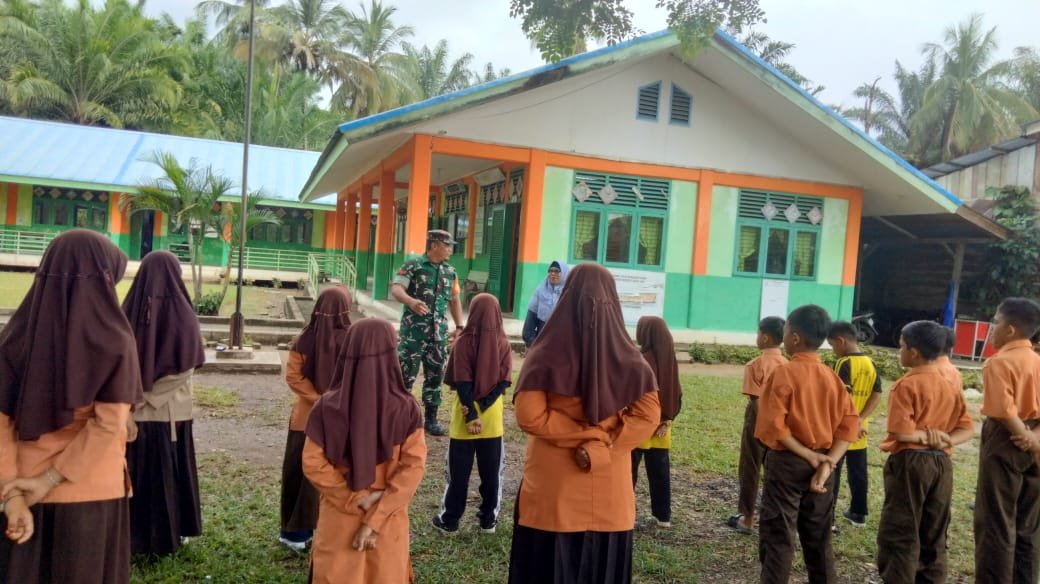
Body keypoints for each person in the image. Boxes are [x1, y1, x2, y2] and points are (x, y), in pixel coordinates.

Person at [0, 229, 144, 583]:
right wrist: (48, 480)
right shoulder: (114, 340)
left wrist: (12, 494)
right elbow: (108, 424)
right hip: (90, 493)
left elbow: (2, 422)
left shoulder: (15, 337)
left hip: (22, 492)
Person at [508, 263, 661, 584]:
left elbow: (530, 416)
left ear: (566, 297)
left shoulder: (543, 354)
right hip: (609, 492)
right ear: (613, 302)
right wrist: (602, 443)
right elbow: (648, 417)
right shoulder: (632, 360)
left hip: (553, 494)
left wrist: (579, 434)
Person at [302, 318, 427, 584]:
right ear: (392, 353)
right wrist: (376, 517)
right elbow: (413, 468)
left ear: (348, 352)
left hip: (340, 515)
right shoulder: (406, 408)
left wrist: (355, 499)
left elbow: (313, 463)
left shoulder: (326, 407)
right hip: (388, 518)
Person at [755, 304, 859, 584]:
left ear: (795, 337)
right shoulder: (832, 377)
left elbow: (774, 427)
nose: (784, 335)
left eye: (786, 329)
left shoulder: (784, 373)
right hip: (823, 466)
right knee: (819, 538)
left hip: (788, 463)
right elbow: (850, 426)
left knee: (778, 536)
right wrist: (828, 462)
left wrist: (807, 455)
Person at [122, 250, 206, 556]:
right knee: (151, 476)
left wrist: (137, 400)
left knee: (160, 476)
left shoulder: (127, 309)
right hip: (149, 412)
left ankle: (160, 538)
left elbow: (184, 368)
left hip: (158, 412)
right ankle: (140, 538)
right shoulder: (178, 312)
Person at [876, 321, 974, 583]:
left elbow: (900, 432)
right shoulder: (949, 385)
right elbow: (967, 429)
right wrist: (944, 440)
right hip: (941, 463)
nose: (900, 353)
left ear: (914, 353)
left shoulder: (906, 385)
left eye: (901, 347)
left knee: (901, 528)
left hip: (911, 462)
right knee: (934, 530)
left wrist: (924, 436)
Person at [279, 286, 353, 552]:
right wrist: (334, 401)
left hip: (306, 418)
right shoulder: (353, 339)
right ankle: (329, 532)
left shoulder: (304, 338)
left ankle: (296, 534)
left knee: (300, 475)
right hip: (342, 420)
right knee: (335, 475)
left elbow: (293, 376)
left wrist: (318, 398)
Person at [432, 293, 512, 535]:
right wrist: (484, 407)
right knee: (492, 473)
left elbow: (462, 381)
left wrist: (472, 415)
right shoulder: (503, 343)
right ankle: (488, 520)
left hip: (465, 415)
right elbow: (503, 382)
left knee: (458, 473)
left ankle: (449, 520)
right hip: (492, 418)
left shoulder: (463, 342)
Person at [973, 297, 1040, 583]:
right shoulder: (1037, 360)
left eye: (996, 322)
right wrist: (1035, 439)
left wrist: (1024, 436)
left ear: (1010, 330)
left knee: (996, 521)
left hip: (1006, 438)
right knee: (1029, 525)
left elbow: (1002, 410)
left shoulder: (999, 362)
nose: (992, 328)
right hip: (1035, 439)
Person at [391, 229, 464, 436]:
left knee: (435, 377)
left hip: (438, 335)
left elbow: (455, 300)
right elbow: (396, 289)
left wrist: (459, 326)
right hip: (413, 334)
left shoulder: (450, 272)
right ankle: (399, 417)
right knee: (405, 375)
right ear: (434, 245)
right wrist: (410, 301)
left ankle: (431, 419)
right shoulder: (413, 265)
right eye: (447, 246)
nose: (450, 250)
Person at [727, 316, 787, 534]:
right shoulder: (788, 365)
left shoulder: (755, 364)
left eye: (758, 333)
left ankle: (748, 518)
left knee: (750, 468)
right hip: (782, 424)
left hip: (758, 422)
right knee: (776, 470)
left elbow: (755, 398)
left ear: (765, 337)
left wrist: (765, 423)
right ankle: (773, 516)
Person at [826, 321, 882, 528]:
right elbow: (877, 394)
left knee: (833, 471)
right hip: (860, 429)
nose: (833, 350)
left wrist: (851, 421)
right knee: (858, 472)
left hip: (842, 429)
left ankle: (828, 518)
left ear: (841, 341)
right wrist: (860, 419)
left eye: (832, 345)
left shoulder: (844, 362)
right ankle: (858, 514)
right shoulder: (870, 362)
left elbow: (844, 398)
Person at [631, 316, 682, 529]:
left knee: (630, 470)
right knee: (660, 471)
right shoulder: (670, 358)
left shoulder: (641, 359)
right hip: (663, 425)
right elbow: (677, 392)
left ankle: (628, 512)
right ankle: (663, 516)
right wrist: (668, 419)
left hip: (640, 423)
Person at [521, 260, 569, 347]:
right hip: (543, 344)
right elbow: (528, 327)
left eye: (557, 271)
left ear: (565, 273)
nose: (552, 274)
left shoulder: (570, 294)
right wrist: (535, 346)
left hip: (563, 345)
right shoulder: (540, 292)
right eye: (550, 271)